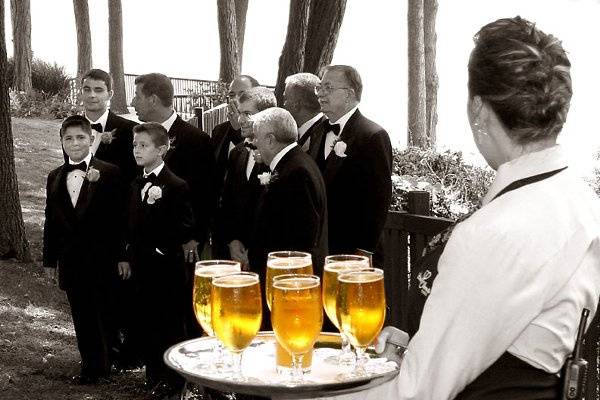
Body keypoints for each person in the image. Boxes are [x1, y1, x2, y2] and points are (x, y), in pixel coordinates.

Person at [298, 16, 600, 400]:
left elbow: (419, 392)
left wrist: (302, 393)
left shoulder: (495, 232)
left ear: (478, 109)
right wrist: (418, 342)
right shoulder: (582, 202)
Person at [43, 115, 129, 384]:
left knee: (105, 312)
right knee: (81, 314)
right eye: (68, 138)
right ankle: (92, 367)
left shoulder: (110, 172)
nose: (75, 143)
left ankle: (110, 359)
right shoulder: (55, 177)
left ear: (91, 140)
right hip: (71, 260)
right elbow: (51, 221)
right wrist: (49, 260)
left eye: (81, 137)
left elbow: (121, 219)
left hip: (102, 257)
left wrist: (123, 256)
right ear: (61, 141)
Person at [131, 72, 214, 338]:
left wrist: (193, 238)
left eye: (138, 96)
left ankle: (183, 360)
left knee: (181, 301)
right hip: (146, 240)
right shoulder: (136, 139)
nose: (133, 102)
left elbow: (204, 195)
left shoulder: (195, 139)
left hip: (181, 243)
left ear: (153, 99)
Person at [121, 122, 194, 399]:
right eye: (134, 145)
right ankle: (152, 374)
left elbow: (184, 226)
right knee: (146, 321)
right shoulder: (135, 182)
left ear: (161, 150)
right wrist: (128, 255)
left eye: (143, 145)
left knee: (169, 324)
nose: (137, 150)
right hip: (141, 267)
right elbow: (130, 224)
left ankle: (173, 381)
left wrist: (160, 250)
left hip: (166, 270)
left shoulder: (176, 185)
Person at [248, 107, 328, 328]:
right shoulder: (294, 164)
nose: (254, 143)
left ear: (271, 140)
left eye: (257, 137)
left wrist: (288, 287)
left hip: (289, 287)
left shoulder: (297, 172)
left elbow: (302, 239)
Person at [315, 65, 392, 266]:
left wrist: (365, 250)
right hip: (322, 249)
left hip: (355, 253)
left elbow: (379, 198)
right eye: (319, 88)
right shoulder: (318, 133)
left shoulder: (373, 135)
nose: (321, 94)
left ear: (349, 94)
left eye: (328, 88)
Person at [216, 87, 276, 266]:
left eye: (248, 114)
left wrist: (256, 252)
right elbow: (228, 203)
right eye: (240, 113)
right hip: (235, 253)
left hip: (267, 255)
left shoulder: (277, 155)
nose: (240, 120)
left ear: (267, 115)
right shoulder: (237, 153)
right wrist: (233, 241)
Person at [81, 69, 138, 182]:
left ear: (110, 94)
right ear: (81, 92)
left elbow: (132, 176)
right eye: (87, 89)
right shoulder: (69, 128)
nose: (92, 95)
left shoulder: (130, 130)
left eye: (98, 90)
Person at [283, 72, 325, 160]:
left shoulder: (326, 132)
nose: (283, 104)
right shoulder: (293, 131)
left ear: (296, 104)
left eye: (285, 99)